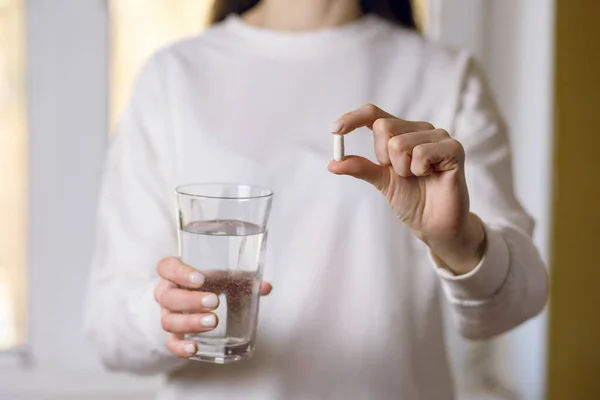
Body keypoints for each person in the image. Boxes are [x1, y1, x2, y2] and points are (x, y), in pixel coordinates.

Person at [85, 0, 549, 398]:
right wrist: (165, 314)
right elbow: (109, 330)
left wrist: (459, 241)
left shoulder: (446, 77)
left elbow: (518, 301)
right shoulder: (174, 78)